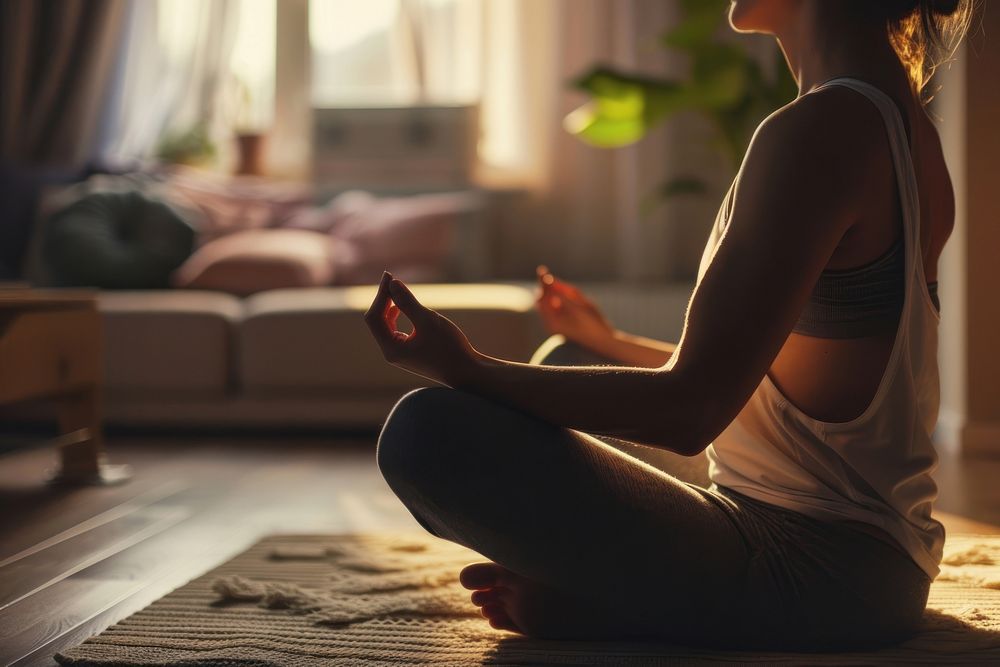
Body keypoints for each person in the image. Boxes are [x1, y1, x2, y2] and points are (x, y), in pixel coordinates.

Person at [366, 0, 975, 650]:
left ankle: (611, 608)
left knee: (424, 433)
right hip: (871, 561)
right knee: (569, 357)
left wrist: (467, 367)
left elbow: (692, 411)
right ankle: (612, 592)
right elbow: (771, 379)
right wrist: (610, 343)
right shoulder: (896, 120)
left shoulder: (822, 130)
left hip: (822, 569)